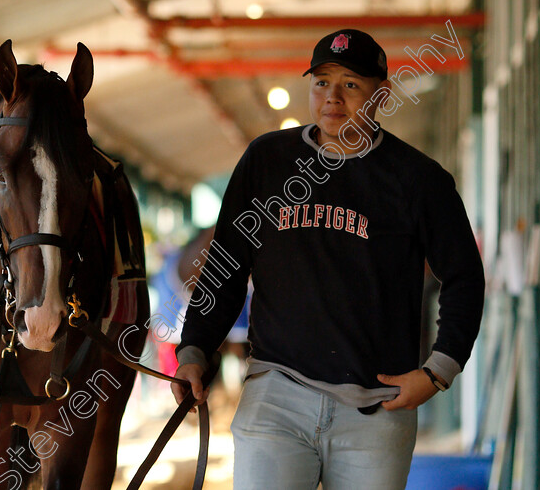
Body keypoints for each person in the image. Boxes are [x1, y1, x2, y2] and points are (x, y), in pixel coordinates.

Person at [170, 28, 485, 489]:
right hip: (276, 394)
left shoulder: (419, 180)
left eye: (351, 84)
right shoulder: (267, 161)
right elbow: (226, 264)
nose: (332, 97)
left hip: (376, 411)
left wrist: (439, 369)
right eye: (321, 82)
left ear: (382, 93)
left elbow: (464, 276)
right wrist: (194, 349)